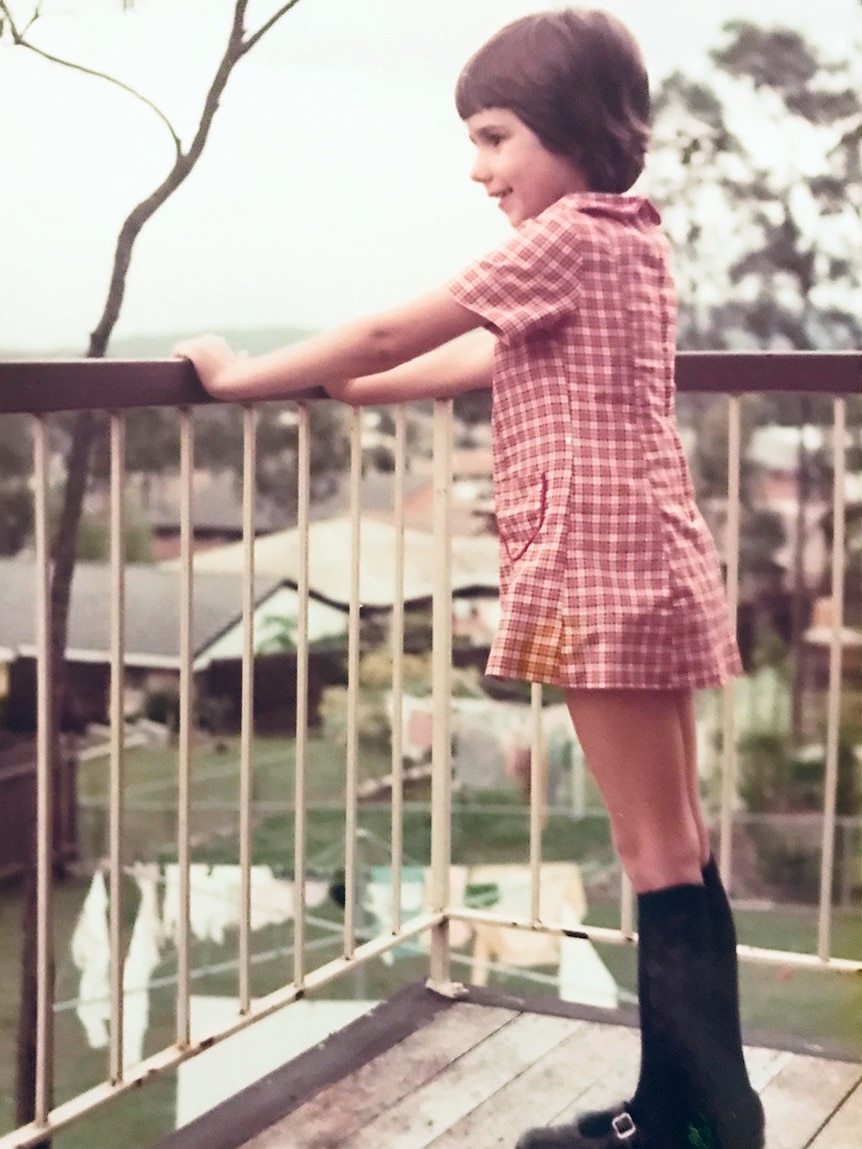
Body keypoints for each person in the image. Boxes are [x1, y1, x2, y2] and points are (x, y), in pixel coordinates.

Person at [174, 9, 765, 1148]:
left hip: (598, 571)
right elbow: (462, 356)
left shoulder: (567, 236)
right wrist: (351, 385)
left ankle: (696, 1124)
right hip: (644, 555)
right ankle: (696, 1107)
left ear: (571, 128)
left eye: (495, 137)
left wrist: (242, 376)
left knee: (652, 853)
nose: (478, 166)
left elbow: (396, 326)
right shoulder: (626, 237)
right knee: (677, 842)